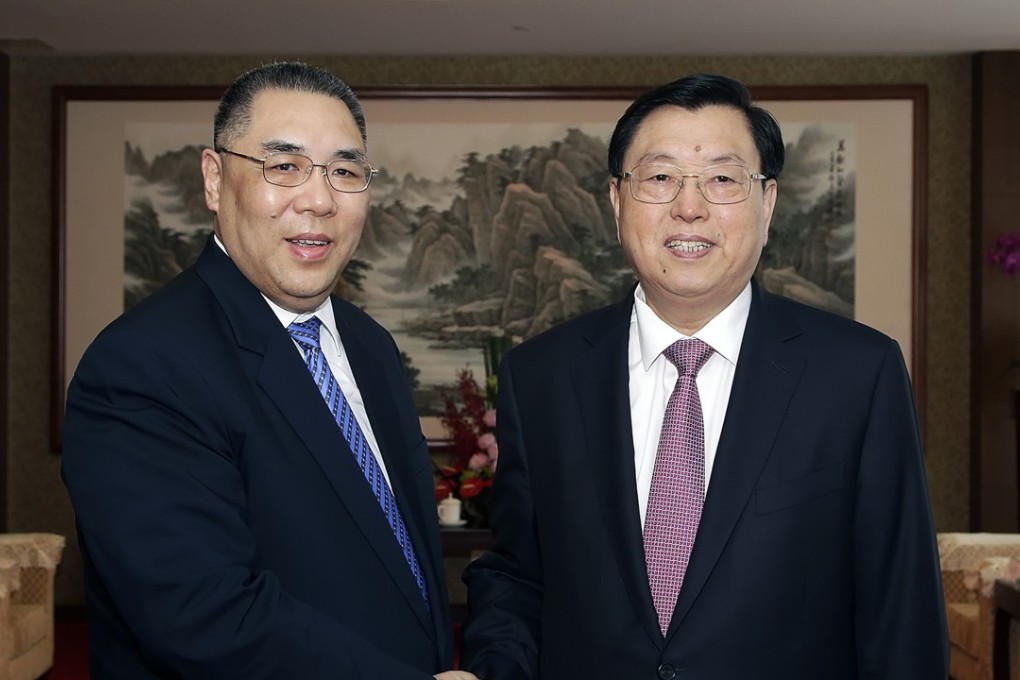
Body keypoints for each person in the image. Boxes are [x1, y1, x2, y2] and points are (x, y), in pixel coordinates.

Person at [460, 73, 948, 679]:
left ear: (767, 202)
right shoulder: (540, 375)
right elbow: (519, 575)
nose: (689, 207)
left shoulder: (858, 374)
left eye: (721, 178)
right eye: (660, 177)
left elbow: (900, 607)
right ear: (617, 201)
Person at [62, 61, 477, 680]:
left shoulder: (370, 349)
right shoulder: (143, 364)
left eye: (344, 171)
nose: (318, 200)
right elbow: (202, 611)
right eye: (283, 166)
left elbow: (397, 559)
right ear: (214, 178)